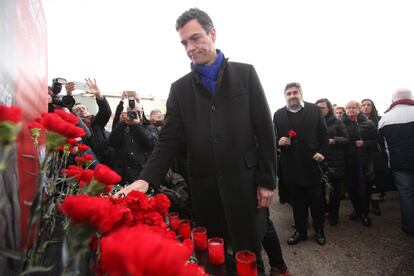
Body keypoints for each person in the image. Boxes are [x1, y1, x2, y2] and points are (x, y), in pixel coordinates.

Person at [116, 8, 285, 275]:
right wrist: (145, 178)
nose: (190, 48)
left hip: (244, 184)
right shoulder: (179, 89)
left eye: (195, 39)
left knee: (249, 255)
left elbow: (265, 131)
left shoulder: (246, 74)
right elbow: (168, 140)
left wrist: (266, 180)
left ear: (213, 33)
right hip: (205, 189)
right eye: (184, 43)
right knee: (211, 258)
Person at [274, 82, 329, 246]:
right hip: (290, 166)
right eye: (289, 93)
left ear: (301, 94)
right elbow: (272, 136)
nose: (292, 96)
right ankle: (301, 231)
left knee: (317, 201)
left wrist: (322, 152)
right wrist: (278, 141)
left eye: (295, 92)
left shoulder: (314, 110)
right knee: (297, 203)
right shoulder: (278, 114)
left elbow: (324, 134)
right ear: (285, 96)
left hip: (311, 164)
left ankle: (319, 230)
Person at [378, 89, 414, 237]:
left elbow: (383, 145)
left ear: (393, 101)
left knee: (406, 194)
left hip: (399, 163)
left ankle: (409, 226)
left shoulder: (385, 119)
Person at [108, 92, 158, 186]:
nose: (134, 115)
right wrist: (121, 124)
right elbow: (112, 143)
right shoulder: (122, 126)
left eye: (138, 112)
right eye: (131, 112)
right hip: (123, 175)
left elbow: (151, 143)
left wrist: (137, 125)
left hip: (142, 175)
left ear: (142, 113)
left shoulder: (149, 126)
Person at [342, 101, 377, 227]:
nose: (351, 110)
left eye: (354, 107)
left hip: (364, 161)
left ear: (359, 109)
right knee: (351, 188)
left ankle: (365, 213)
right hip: (348, 161)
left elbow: (376, 141)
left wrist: (365, 143)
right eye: (348, 108)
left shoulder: (368, 123)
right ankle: (356, 209)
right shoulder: (341, 123)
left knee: (365, 188)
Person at [316, 98, 349, 226]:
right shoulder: (314, 122)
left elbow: (346, 139)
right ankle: (325, 210)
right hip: (320, 160)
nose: (321, 110)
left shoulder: (337, 122)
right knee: (320, 190)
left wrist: (333, 140)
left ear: (328, 108)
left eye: (323, 107)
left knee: (335, 191)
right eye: (318, 108)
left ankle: (333, 215)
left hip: (336, 160)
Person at [67, 78, 113, 167]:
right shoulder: (74, 125)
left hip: (105, 160)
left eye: (83, 108)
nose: (81, 109)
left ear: (88, 111)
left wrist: (98, 94)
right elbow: (67, 113)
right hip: (85, 163)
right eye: (77, 110)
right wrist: (68, 94)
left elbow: (106, 111)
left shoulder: (96, 122)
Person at [361, 98, 393, 216]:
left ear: (372, 107)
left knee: (375, 177)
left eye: (368, 105)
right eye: (363, 105)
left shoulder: (379, 119)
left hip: (376, 153)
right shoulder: (356, 120)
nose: (366, 107)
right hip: (362, 153)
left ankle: (374, 202)